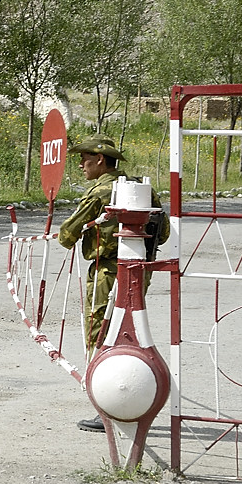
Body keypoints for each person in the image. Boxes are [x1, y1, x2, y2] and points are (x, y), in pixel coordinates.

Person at [57, 136, 168, 432]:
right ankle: (125, 399)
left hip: (107, 271)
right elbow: (165, 231)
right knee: (131, 332)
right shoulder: (141, 187)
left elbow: (68, 233)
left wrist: (64, 235)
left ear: (101, 161)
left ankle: (106, 405)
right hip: (139, 270)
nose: (81, 165)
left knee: (101, 332)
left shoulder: (99, 192)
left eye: (86, 159)